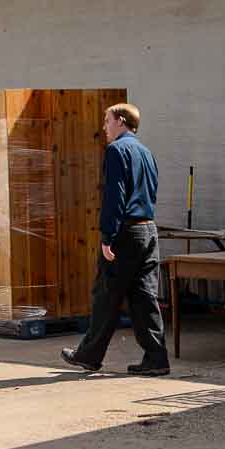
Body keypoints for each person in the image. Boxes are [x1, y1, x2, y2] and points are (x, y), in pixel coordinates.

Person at [61, 102, 170, 376]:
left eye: (107, 121)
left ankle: (89, 355)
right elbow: (152, 192)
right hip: (148, 230)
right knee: (145, 298)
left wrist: (108, 235)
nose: (104, 127)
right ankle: (157, 358)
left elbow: (115, 196)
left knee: (106, 296)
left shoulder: (116, 151)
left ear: (121, 120)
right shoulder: (146, 153)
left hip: (125, 233)